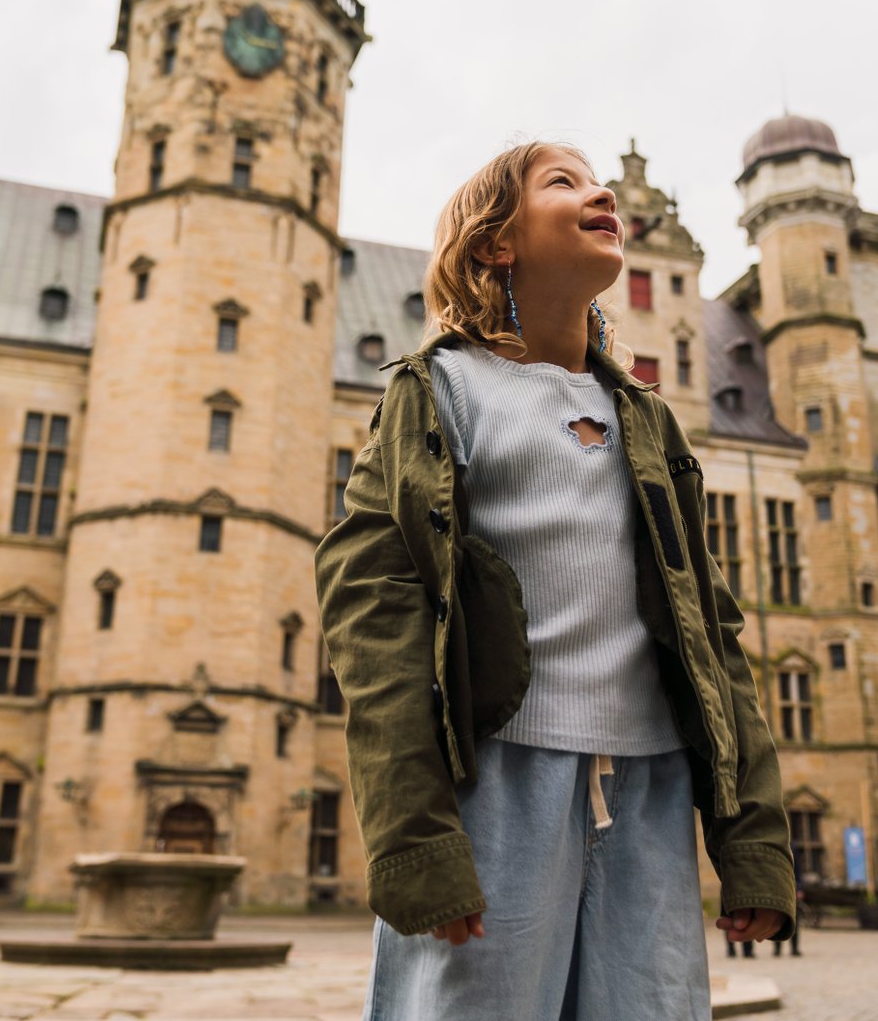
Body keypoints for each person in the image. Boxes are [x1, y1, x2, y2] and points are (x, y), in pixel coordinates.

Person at [318, 142, 796, 1020]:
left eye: (596, 179)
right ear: (496, 242)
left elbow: (712, 637)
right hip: (496, 781)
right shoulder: (443, 391)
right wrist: (416, 839)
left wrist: (751, 841)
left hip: (648, 792)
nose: (601, 191)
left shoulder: (646, 419)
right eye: (563, 182)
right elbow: (373, 616)